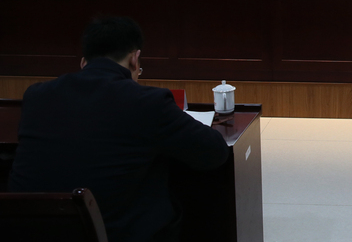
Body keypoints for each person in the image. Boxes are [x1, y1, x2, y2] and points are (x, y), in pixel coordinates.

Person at [9, 16, 230, 242]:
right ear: (135, 59)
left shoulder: (36, 95)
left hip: (29, 230)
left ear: (84, 62)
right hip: (112, 233)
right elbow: (215, 152)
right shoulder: (147, 101)